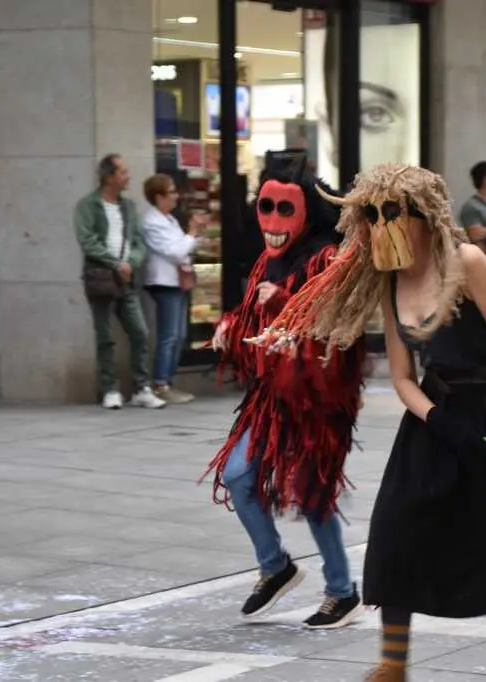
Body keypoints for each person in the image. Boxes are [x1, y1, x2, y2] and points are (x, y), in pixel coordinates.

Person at [249, 163, 486, 682]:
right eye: (370, 215)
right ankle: (391, 665)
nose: (380, 224)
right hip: (438, 421)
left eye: (390, 212)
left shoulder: (467, 261)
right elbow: (404, 377)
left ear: (422, 214)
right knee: (395, 531)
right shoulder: (387, 281)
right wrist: (439, 418)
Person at [202, 158, 366, 629]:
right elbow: (251, 316)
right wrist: (231, 326)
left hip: (316, 400)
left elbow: (340, 328)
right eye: (265, 207)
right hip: (270, 397)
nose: (272, 223)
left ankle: (342, 591)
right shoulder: (266, 260)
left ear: (306, 211)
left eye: (283, 209)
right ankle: (276, 567)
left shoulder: (327, 260)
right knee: (237, 476)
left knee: (314, 494)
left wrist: (290, 312)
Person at [74, 153, 166, 410]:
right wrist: (116, 264)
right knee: (105, 336)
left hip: (127, 280)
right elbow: (87, 241)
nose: (128, 177)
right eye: (123, 172)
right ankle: (109, 388)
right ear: (109, 176)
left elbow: (138, 242)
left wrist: (131, 263)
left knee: (140, 332)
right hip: (101, 278)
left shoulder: (129, 207)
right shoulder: (87, 206)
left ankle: (141, 388)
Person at [141, 174, 202, 405]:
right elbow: (175, 251)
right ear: (159, 197)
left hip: (177, 281)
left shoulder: (170, 219)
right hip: (164, 283)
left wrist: (194, 234)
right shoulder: (152, 221)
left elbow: (184, 248)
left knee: (180, 335)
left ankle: (167, 381)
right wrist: (191, 235)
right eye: (171, 192)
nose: (176, 196)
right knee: (169, 336)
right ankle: (160, 383)